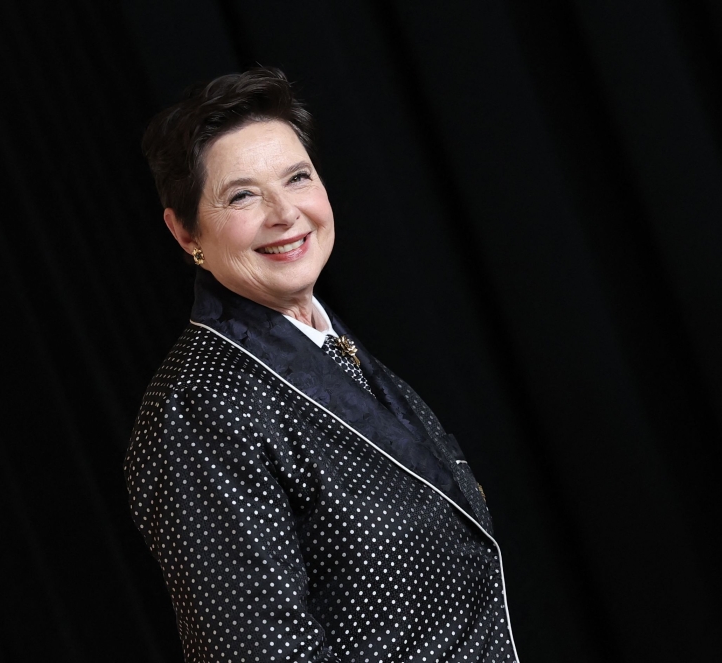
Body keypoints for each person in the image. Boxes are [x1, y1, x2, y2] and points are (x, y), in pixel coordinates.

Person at [125, 67, 519, 663]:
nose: (284, 213)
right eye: (242, 195)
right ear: (185, 233)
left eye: (297, 178)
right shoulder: (200, 407)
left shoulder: (332, 348)